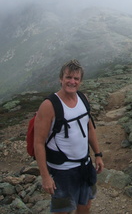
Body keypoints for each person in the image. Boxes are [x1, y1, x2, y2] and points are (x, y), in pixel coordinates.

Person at [34, 59, 104, 214]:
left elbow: (89, 127)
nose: (72, 82)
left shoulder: (83, 98)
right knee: (62, 211)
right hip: (62, 171)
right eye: (68, 77)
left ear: (80, 81)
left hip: (85, 165)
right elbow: (38, 142)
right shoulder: (49, 105)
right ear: (61, 78)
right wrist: (45, 176)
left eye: (76, 78)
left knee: (85, 206)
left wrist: (98, 155)